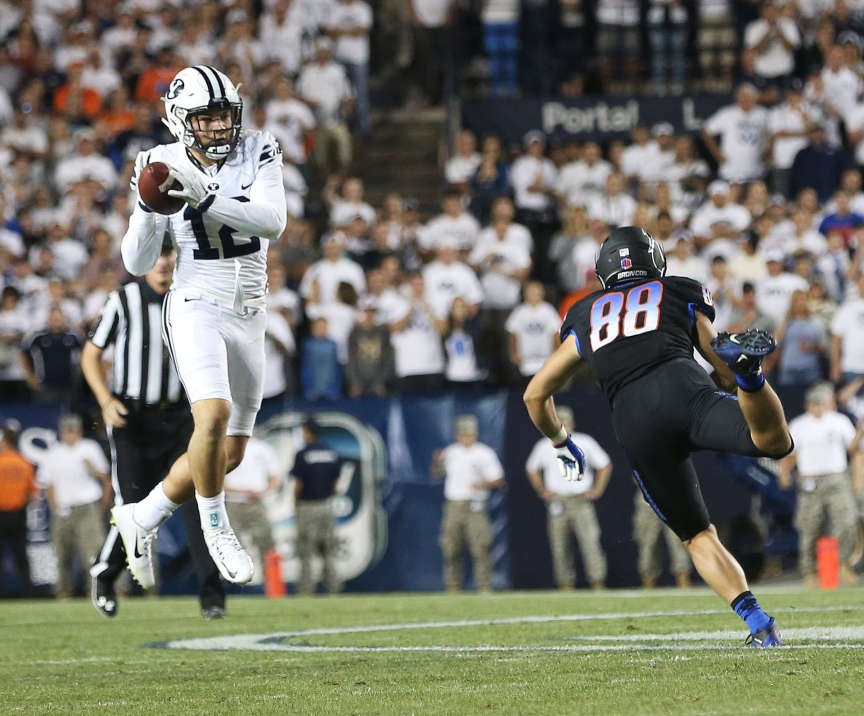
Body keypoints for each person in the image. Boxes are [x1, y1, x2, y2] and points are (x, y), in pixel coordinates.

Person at [523, 226, 792, 647]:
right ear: (655, 260)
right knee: (773, 442)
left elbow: (535, 394)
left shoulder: (585, 313)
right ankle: (754, 377)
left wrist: (561, 441)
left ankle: (760, 624)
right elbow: (717, 363)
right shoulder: (677, 290)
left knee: (698, 535)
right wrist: (735, 379)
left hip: (635, 423)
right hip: (685, 393)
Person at [113, 65, 287, 590]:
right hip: (195, 301)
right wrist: (147, 208)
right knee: (211, 414)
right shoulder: (158, 161)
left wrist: (205, 196)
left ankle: (141, 516)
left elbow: (272, 221)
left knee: (227, 453)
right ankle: (217, 528)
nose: (218, 127)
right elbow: (138, 263)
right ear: (179, 119)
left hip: (251, 309)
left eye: (223, 115)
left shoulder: (259, 147)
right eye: (206, 117)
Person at [82, 246, 225, 620]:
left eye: (170, 254)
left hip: (181, 417)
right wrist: (105, 399)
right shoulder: (123, 299)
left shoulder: (190, 299)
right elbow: (90, 354)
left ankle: (212, 597)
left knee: (200, 498)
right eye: (158, 255)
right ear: (146, 261)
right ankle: (105, 572)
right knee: (130, 505)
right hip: (134, 418)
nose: (164, 262)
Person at [778, 383, 859, 587]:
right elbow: (790, 454)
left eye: (822, 403)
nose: (819, 407)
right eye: (815, 403)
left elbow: (853, 449)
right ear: (809, 405)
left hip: (836, 479)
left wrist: (860, 433)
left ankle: (844, 565)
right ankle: (809, 571)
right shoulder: (799, 425)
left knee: (847, 522)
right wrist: (784, 473)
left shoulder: (839, 421)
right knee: (810, 527)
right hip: (810, 482)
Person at [525, 406, 611, 591]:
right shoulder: (543, 445)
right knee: (560, 547)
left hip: (580, 500)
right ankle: (566, 586)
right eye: (558, 422)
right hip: (558, 502)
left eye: (565, 422)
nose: (562, 426)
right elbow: (531, 468)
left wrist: (597, 489)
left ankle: (597, 583)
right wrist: (541, 489)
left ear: (571, 423)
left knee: (590, 543)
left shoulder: (585, 442)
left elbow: (604, 464)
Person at [41, 414, 111, 599]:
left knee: (92, 553)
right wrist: (55, 507)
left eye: (72, 430)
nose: (69, 434)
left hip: (87, 506)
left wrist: (102, 506)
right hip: (63, 508)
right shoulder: (53, 453)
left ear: (79, 431)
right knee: (62, 554)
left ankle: (94, 592)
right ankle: (63, 593)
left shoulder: (89, 448)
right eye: (66, 431)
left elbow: (105, 478)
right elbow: (49, 485)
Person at [432, 414, 504, 593]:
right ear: (457, 435)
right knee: (451, 547)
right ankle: (453, 586)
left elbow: (497, 480)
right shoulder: (450, 452)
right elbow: (436, 474)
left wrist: (482, 484)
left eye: (470, 434)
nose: (467, 437)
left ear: (476, 433)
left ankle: (485, 585)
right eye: (463, 434)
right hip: (454, 504)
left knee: (481, 547)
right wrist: (436, 461)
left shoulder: (484, 452)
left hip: (475, 505)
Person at [291, 419, 343, 595]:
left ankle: (306, 590)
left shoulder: (303, 454)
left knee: (306, 551)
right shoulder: (332, 453)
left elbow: (298, 484)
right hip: (326, 505)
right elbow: (336, 485)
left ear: (307, 431)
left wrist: (295, 503)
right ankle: (333, 588)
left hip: (307, 506)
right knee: (328, 549)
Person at [224, 436, 280, 568]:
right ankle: (235, 585)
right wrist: (244, 492)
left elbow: (274, 478)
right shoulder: (224, 448)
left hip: (257, 504)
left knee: (267, 545)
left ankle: (271, 584)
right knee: (232, 546)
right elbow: (217, 483)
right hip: (233, 504)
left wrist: (264, 492)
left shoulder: (263, 448)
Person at [0, 420, 37, 597]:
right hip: (18, 514)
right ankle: (27, 592)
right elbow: (33, 495)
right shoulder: (25, 463)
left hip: (2, 513)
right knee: (21, 555)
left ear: (4, 441)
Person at [633, 488, 692, 589]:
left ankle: (684, 585)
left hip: (673, 493)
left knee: (678, 541)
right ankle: (648, 588)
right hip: (647, 495)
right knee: (647, 544)